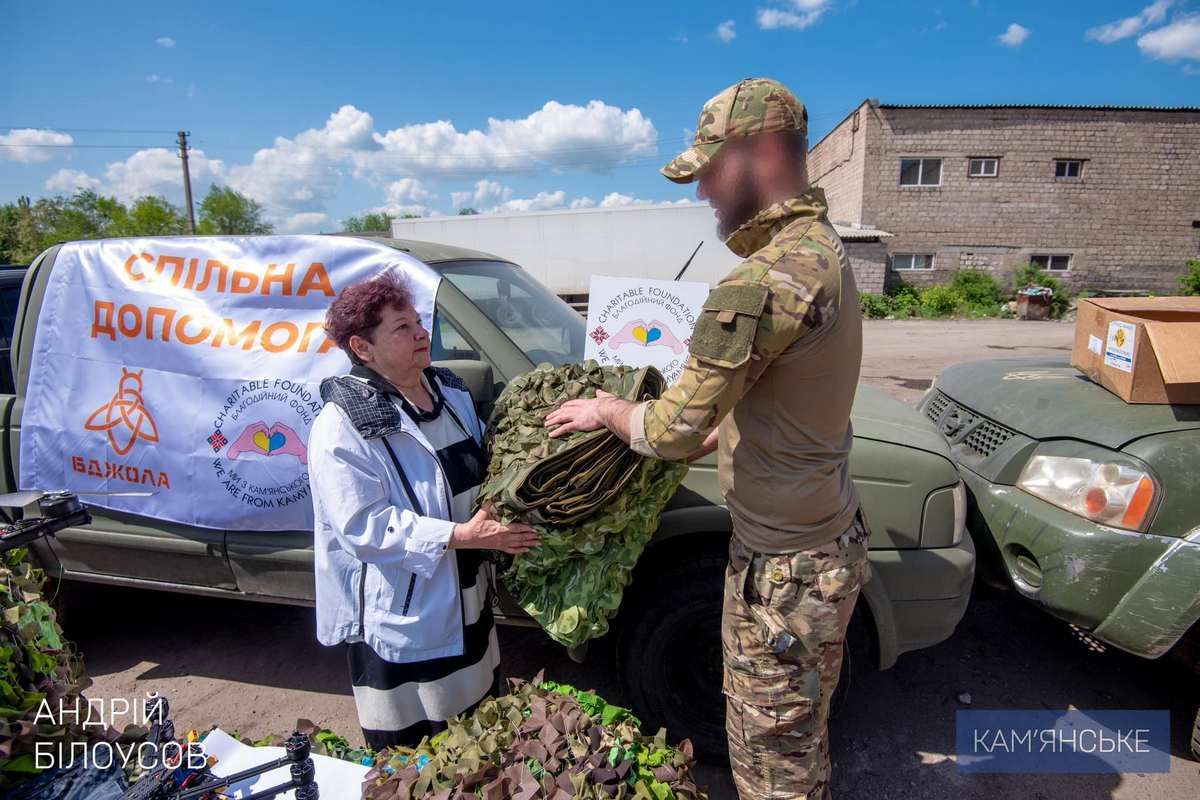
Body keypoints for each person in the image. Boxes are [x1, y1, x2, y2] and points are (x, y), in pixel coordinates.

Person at [545, 78, 870, 799]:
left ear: (758, 152)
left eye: (710, 172)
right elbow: (749, 411)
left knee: (771, 765)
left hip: (785, 574)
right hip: (819, 549)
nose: (703, 195)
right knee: (798, 738)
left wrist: (605, 412)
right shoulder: (821, 249)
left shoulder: (767, 276)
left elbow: (671, 428)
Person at [308, 270, 538, 749]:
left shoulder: (449, 394)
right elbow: (364, 527)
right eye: (402, 328)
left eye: (418, 322)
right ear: (362, 348)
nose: (421, 334)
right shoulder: (342, 426)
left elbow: (489, 465)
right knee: (420, 752)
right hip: (406, 614)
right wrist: (461, 536)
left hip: (467, 594)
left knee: (477, 736)